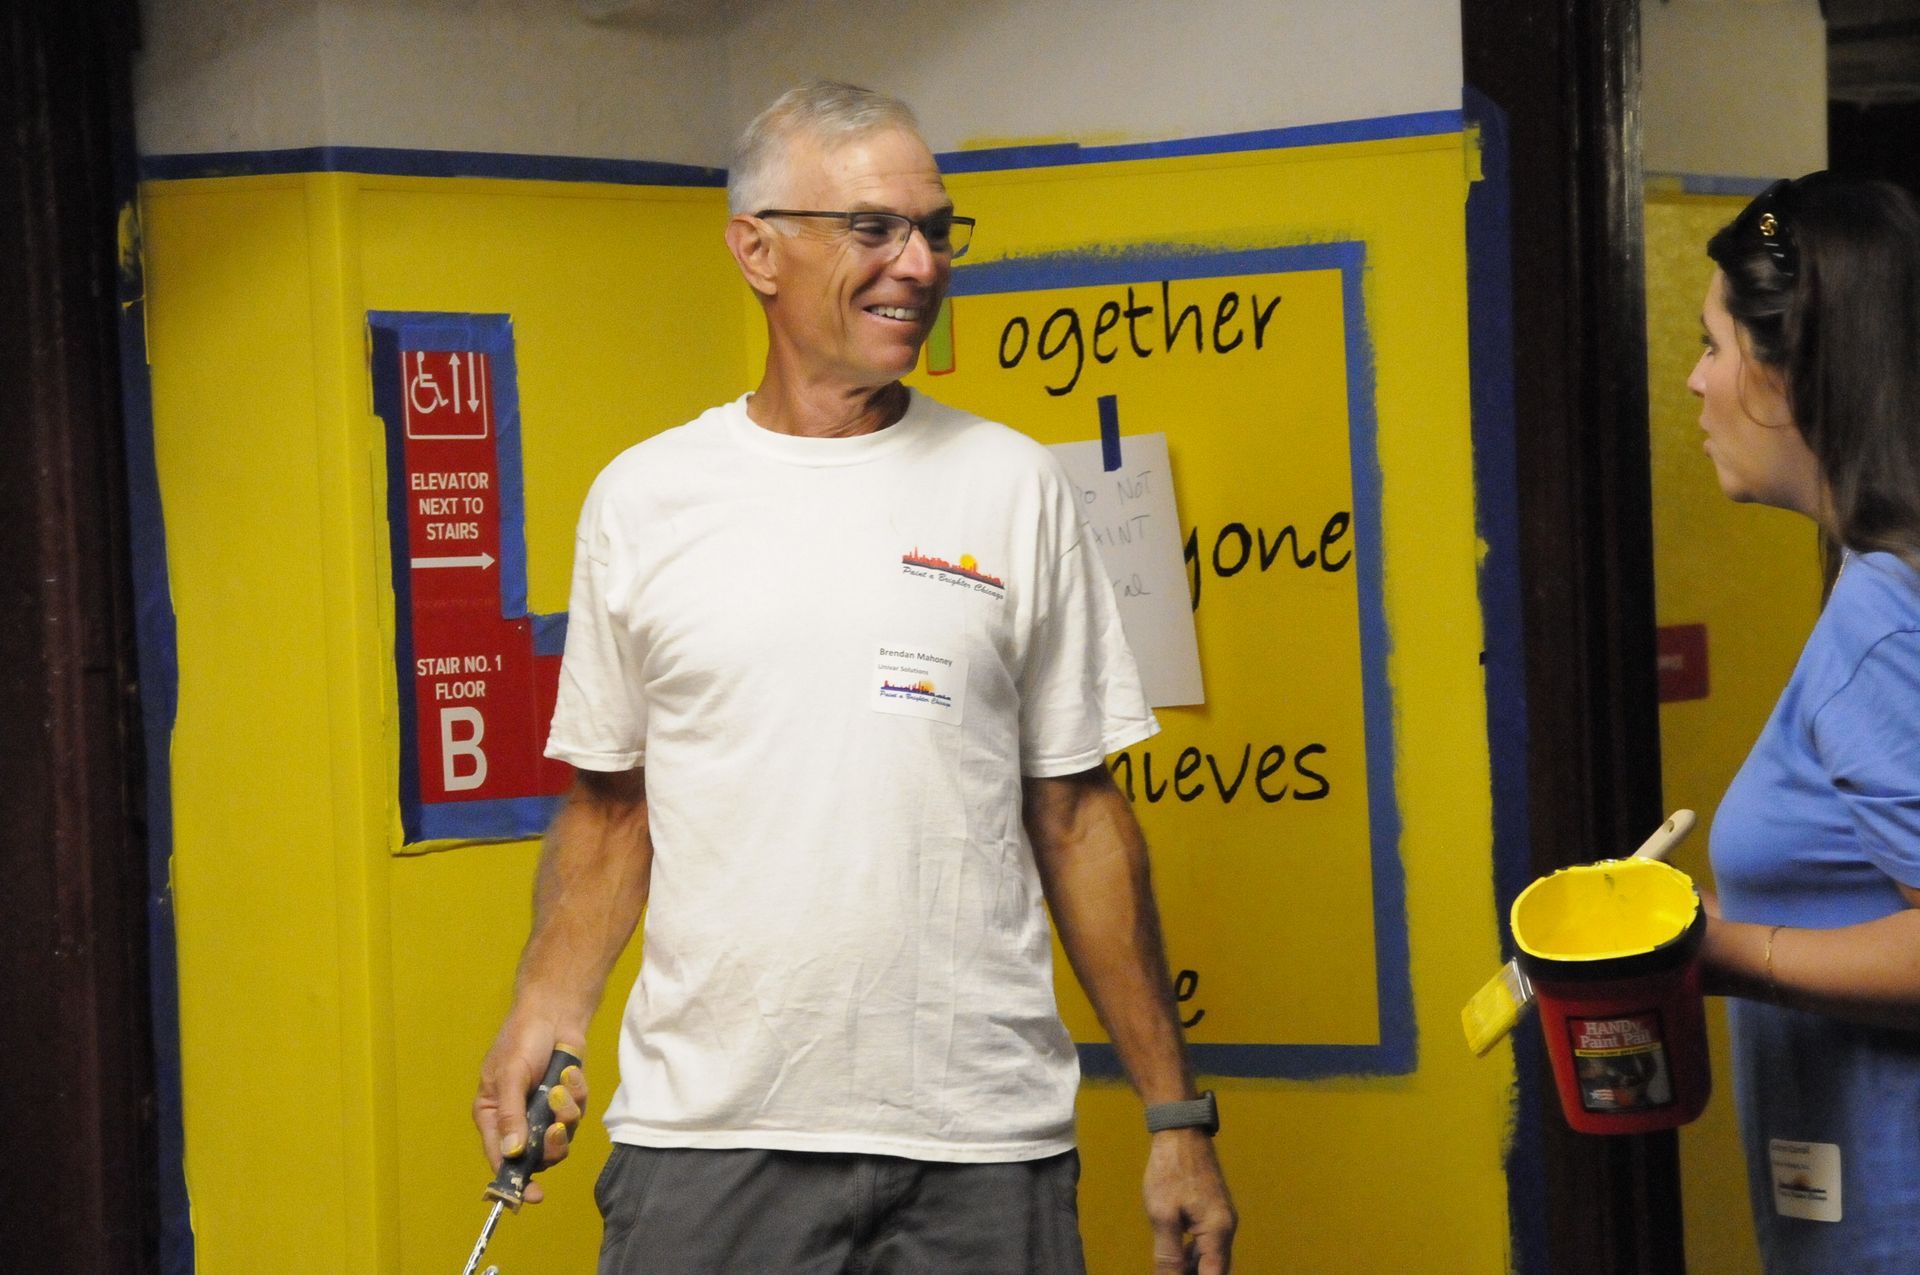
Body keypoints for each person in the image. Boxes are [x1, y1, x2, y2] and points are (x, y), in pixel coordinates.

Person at [472, 80, 1236, 1275]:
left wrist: (1175, 1117)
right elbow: (614, 808)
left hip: (982, 1146)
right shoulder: (646, 498)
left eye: (937, 230)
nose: (920, 264)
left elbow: (1080, 817)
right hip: (713, 1136)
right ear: (757, 248)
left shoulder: (1014, 486)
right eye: (875, 229)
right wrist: (545, 1011)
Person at [1687, 170, 1920, 1272]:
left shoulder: (1882, 618)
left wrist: (1725, 951)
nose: (1695, 383)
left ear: (1790, 372)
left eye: (1715, 345)